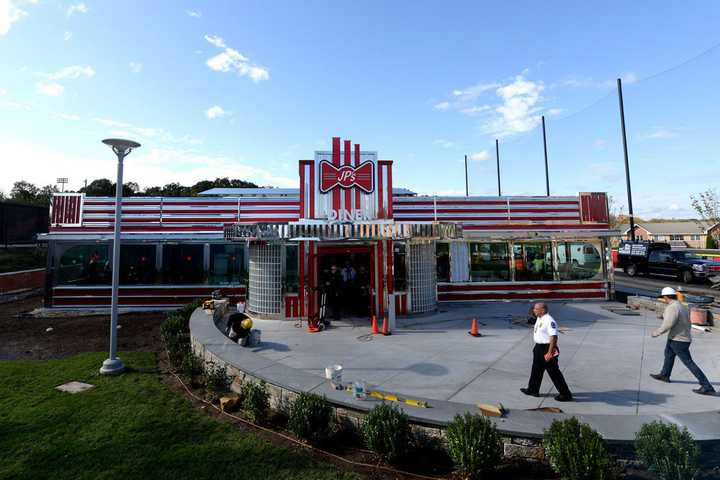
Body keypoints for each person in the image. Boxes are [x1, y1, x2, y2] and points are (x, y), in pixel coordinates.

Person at [650, 287, 715, 395]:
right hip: (678, 338)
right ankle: (665, 375)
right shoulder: (681, 305)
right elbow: (679, 319)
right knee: (668, 355)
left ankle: (706, 386)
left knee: (689, 363)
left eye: (664, 297)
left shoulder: (672, 307)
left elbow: (668, 324)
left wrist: (657, 332)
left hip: (679, 340)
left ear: (666, 297)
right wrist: (663, 316)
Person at [521, 302, 573, 402]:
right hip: (538, 348)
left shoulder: (549, 321)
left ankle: (566, 394)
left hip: (547, 348)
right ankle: (533, 389)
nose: (534, 310)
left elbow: (553, 337)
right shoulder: (540, 318)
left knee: (554, 372)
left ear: (543, 310)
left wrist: (550, 352)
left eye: (536, 309)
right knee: (536, 369)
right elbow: (532, 314)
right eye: (534, 308)